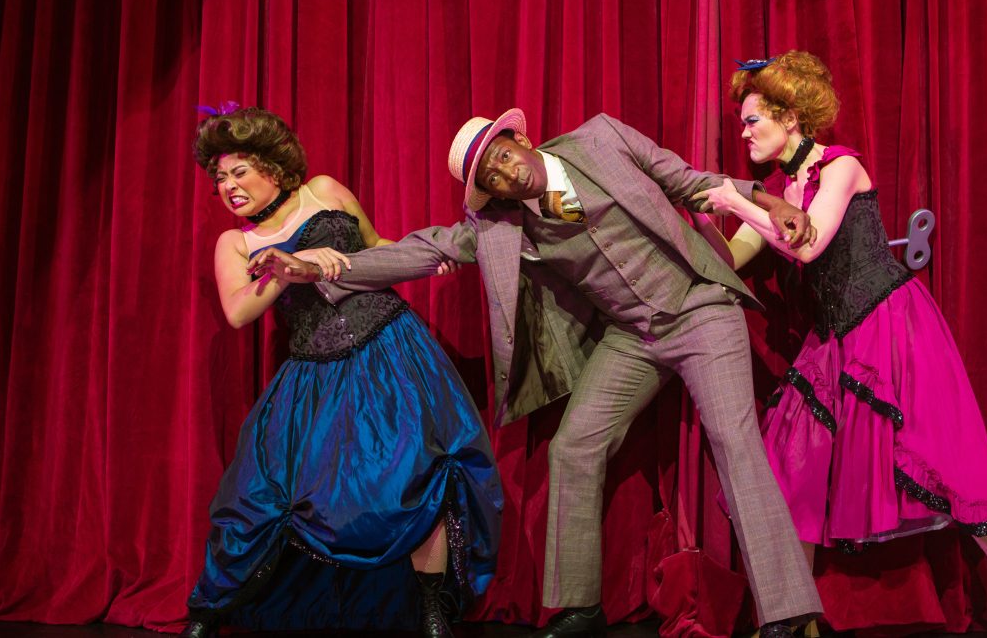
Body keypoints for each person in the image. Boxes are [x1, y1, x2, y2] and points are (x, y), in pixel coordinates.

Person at [252, 107, 824, 638]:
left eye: (502, 156)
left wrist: (765, 201)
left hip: (699, 307)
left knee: (734, 441)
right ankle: (581, 605)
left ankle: (787, 611)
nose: (505, 175)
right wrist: (313, 267)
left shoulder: (601, 139)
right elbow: (424, 251)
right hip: (633, 336)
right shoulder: (502, 225)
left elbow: (688, 182)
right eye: (491, 178)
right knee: (572, 447)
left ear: (521, 140)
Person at [693, 51, 987, 638]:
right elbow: (735, 259)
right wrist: (699, 223)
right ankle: (797, 616)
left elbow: (808, 242)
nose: (743, 132)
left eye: (752, 119)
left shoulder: (842, 165)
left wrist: (739, 201)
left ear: (791, 118)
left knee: (949, 459)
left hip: (893, 326)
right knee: (793, 463)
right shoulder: (774, 188)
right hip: (834, 339)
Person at [180, 105, 502, 638]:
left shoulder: (325, 191)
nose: (228, 187)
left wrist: (428, 257)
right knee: (262, 490)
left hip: (393, 352)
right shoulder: (235, 243)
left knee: (423, 469)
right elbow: (238, 312)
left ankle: (431, 610)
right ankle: (208, 613)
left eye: (239, 172)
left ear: (273, 168)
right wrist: (287, 269)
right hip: (312, 372)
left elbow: (377, 248)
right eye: (219, 178)